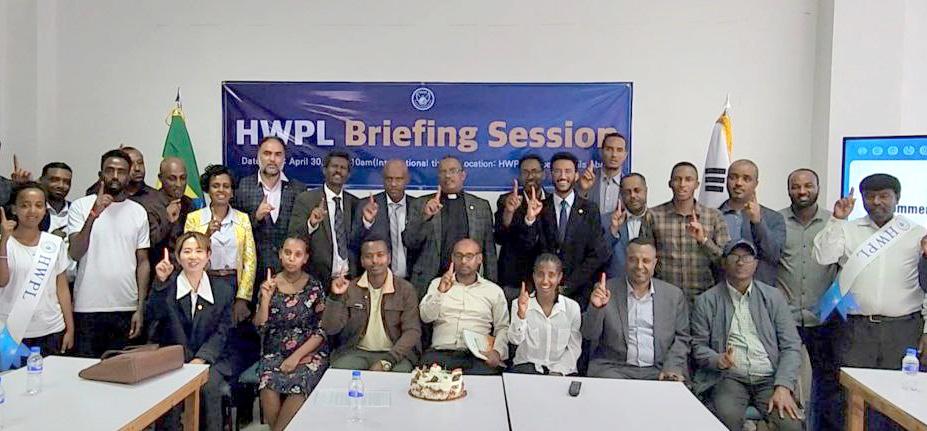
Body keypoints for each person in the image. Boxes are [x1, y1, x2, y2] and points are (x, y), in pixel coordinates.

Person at [813, 173, 927, 430]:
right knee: (854, 398)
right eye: (870, 196)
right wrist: (837, 219)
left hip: (902, 329)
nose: (876, 202)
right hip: (857, 329)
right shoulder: (847, 229)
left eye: (884, 196)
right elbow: (823, 256)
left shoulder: (916, 233)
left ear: (897, 198)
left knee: (900, 397)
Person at [691, 240, 802, 431]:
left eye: (747, 257)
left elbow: (791, 346)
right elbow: (698, 346)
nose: (741, 262)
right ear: (724, 262)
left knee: (790, 425)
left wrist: (783, 386)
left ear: (756, 264)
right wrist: (718, 359)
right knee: (725, 420)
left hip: (769, 379)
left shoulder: (773, 297)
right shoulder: (707, 301)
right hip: (729, 378)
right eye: (734, 257)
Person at [147, 232, 234, 431]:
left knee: (209, 387)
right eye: (187, 251)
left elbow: (223, 332)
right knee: (171, 389)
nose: (193, 256)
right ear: (178, 257)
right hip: (174, 358)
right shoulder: (167, 286)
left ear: (208, 255)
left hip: (212, 359)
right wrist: (160, 283)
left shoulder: (223, 290)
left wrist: (201, 359)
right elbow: (153, 316)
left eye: (198, 251)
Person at [69, 149, 150, 358]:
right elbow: (75, 252)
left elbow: (143, 262)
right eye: (110, 170)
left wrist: (140, 308)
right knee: (86, 371)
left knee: (123, 372)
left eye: (121, 171)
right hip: (88, 306)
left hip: (126, 306)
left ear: (129, 175)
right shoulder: (80, 206)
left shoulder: (138, 211)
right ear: (100, 174)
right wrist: (93, 215)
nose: (115, 176)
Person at [777, 168, 840, 431]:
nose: (802, 191)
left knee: (827, 386)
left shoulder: (834, 222)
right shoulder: (776, 221)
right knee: (785, 381)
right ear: (788, 189)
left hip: (824, 318)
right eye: (795, 186)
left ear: (818, 188)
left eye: (808, 186)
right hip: (785, 318)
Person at [184, 165, 258, 382]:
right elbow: (190, 252)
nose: (221, 190)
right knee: (208, 332)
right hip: (205, 283)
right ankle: (202, 374)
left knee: (233, 336)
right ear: (208, 189)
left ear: (232, 191)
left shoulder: (242, 219)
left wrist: (243, 297)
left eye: (226, 186)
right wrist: (207, 233)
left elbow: (250, 260)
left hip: (233, 283)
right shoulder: (195, 219)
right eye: (216, 185)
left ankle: (228, 385)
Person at [582, 239, 689, 380]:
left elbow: (682, 338)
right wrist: (596, 308)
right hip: (615, 369)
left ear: (654, 263)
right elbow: (589, 334)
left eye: (646, 261)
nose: (639, 266)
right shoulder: (606, 290)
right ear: (626, 261)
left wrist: (671, 366)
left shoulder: (673, 296)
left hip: (658, 370)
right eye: (633, 260)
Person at [517, 151, 610, 309]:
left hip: (580, 293)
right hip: (543, 293)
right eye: (558, 171)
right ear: (550, 175)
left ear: (576, 175)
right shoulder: (539, 207)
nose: (563, 176)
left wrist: (569, 285)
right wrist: (530, 219)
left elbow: (596, 254)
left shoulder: (590, 209)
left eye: (568, 171)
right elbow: (527, 248)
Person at [254, 237, 328, 431]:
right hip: (274, 352)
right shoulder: (269, 284)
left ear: (305, 258)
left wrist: (296, 357)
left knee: (299, 386)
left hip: (308, 352)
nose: (291, 258)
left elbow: (322, 330)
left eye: (297, 254)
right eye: (287, 253)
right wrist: (265, 300)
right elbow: (260, 327)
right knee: (268, 385)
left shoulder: (314, 286)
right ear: (280, 254)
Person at [322, 239, 421, 372]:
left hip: (395, 354)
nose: (375, 260)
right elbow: (330, 328)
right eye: (369, 256)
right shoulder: (350, 288)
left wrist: (388, 360)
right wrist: (335, 297)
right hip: (355, 352)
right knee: (341, 371)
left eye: (380, 255)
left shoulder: (405, 289)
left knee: (400, 374)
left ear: (389, 258)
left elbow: (412, 331)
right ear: (362, 261)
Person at [404, 156, 497, 297]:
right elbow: (410, 242)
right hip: (429, 282)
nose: (447, 175)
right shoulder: (421, 204)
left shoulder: (481, 206)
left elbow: (489, 251)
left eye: (453, 171)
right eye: (443, 172)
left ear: (463, 175)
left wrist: (492, 286)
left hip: (469, 284)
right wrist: (425, 217)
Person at [0, 183, 74, 355]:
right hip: (10, 332)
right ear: (14, 209)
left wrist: (70, 328)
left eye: (39, 205)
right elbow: (2, 281)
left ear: (45, 210)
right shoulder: (4, 242)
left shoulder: (54, 243)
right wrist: (3, 242)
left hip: (51, 329)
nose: (32, 211)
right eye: (25, 205)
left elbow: (62, 289)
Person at [642, 161, 730, 304]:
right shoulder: (653, 216)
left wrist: (704, 240)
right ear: (670, 184)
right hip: (664, 297)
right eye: (677, 179)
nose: (682, 184)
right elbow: (644, 258)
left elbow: (726, 261)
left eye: (688, 179)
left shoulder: (714, 216)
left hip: (704, 297)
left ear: (697, 184)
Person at [419, 238, 508, 375]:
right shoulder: (437, 284)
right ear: (452, 258)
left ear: (479, 259)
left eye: (469, 256)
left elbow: (503, 327)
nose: (463, 261)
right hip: (441, 352)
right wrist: (440, 293)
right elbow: (425, 317)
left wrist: (497, 352)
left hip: (477, 356)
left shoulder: (493, 291)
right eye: (459, 256)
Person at [232, 136, 307, 293]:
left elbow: (301, 232)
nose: (272, 159)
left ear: (284, 159)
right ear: (258, 156)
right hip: (253, 273)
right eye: (267, 153)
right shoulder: (242, 187)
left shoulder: (298, 189)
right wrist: (256, 217)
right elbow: (235, 231)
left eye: (278, 154)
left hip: (289, 274)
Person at [288, 151, 358, 287]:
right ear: (324, 170)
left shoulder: (355, 203)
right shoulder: (306, 200)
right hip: (317, 281)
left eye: (343, 168)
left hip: (349, 280)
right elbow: (294, 236)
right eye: (334, 166)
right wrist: (311, 224)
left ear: (348, 174)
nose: (338, 171)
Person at [508, 253, 581, 375]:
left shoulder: (572, 308)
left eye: (551, 275)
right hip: (526, 370)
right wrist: (521, 315)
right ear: (534, 276)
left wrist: (558, 371)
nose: (545, 281)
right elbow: (515, 340)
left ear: (559, 277)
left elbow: (574, 349)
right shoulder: (519, 303)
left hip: (562, 373)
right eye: (540, 274)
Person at [718, 159, 785, 285]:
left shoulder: (774, 218)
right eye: (733, 177)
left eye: (746, 179)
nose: (738, 183)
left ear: (756, 184)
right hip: (722, 291)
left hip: (760, 292)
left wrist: (758, 222)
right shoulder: (714, 216)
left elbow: (774, 256)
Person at [352, 159, 417, 280]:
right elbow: (354, 243)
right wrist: (367, 222)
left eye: (398, 179)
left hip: (412, 280)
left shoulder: (418, 206)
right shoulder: (366, 205)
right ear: (383, 179)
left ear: (407, 179)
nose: (393, 184)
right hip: (377, 280)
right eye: (389, 179)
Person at [494, 154, 546, 303]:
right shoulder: (506, 200)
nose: (530, 176)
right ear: (519, 176)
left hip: (544, 280)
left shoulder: (551, 202)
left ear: (543, 174)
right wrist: (509, 212)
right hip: (512, 279)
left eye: (535, 171)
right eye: (525, 172)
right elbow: (499, 237)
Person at [605, 173, 651, 279]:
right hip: (615, 285)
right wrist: (613, 231)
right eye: (627, 192)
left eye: (637, 190)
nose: (633, 195)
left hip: (650, 286)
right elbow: (599, 256)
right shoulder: (606, 221)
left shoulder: (657, 220)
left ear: (646, 191)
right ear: (621, 195)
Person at [152, 157, 195, 269]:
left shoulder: (190, 204)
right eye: (172, 179)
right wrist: (168, 221)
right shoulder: (150, 205)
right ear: (160, 178)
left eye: (183, 178)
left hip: (187, 270)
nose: (179, 184)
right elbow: (149, 245)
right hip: (159, 271)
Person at [577, 132, 629, 224]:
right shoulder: (585, 180)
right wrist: (583, 190)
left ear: (625, 155)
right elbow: (573, 213)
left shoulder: (629, 185)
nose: (614, 155)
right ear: (601, 152)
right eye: (609, 149)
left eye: (619, 150)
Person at [38, 162, 73, 237]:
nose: (61, 185)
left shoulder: (76, 210)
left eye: (66, 182)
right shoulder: (34, 210)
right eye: (54, 180)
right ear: (41, 180)